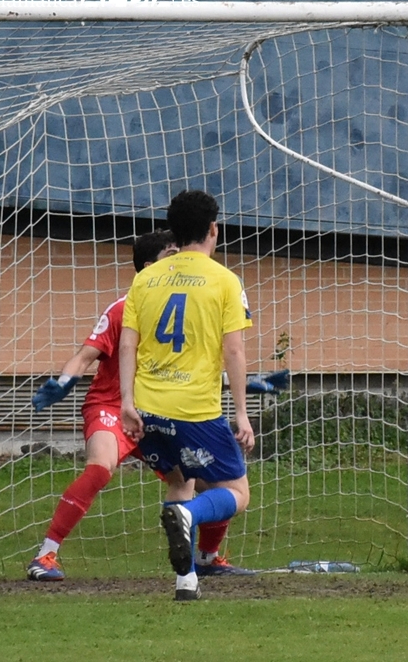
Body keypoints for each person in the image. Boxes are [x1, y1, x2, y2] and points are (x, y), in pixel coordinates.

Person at [27, 231, 285, 581]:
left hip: (156, 411)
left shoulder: (184, 303)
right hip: (113, 406)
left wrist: (248, 382)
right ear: (149, 267)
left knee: (204, 483)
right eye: (171, 254)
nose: (180, 260)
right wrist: (63, 382)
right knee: (101, 468)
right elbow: (85, 355)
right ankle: (45, 555)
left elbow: (188, 367)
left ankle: (204, 560)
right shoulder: (126, 306)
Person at [120, 190, 254, 601]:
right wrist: (243, 414)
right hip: (194, 410)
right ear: (214, 229)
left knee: (181, 481)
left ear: (174, 231)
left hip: (146, 408)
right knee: (237, 492)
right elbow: (233, 351)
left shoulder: (146, 277)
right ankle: (189, 515)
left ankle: (186, 581)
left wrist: (126, 402)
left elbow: (128, 345)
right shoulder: (225, 281)